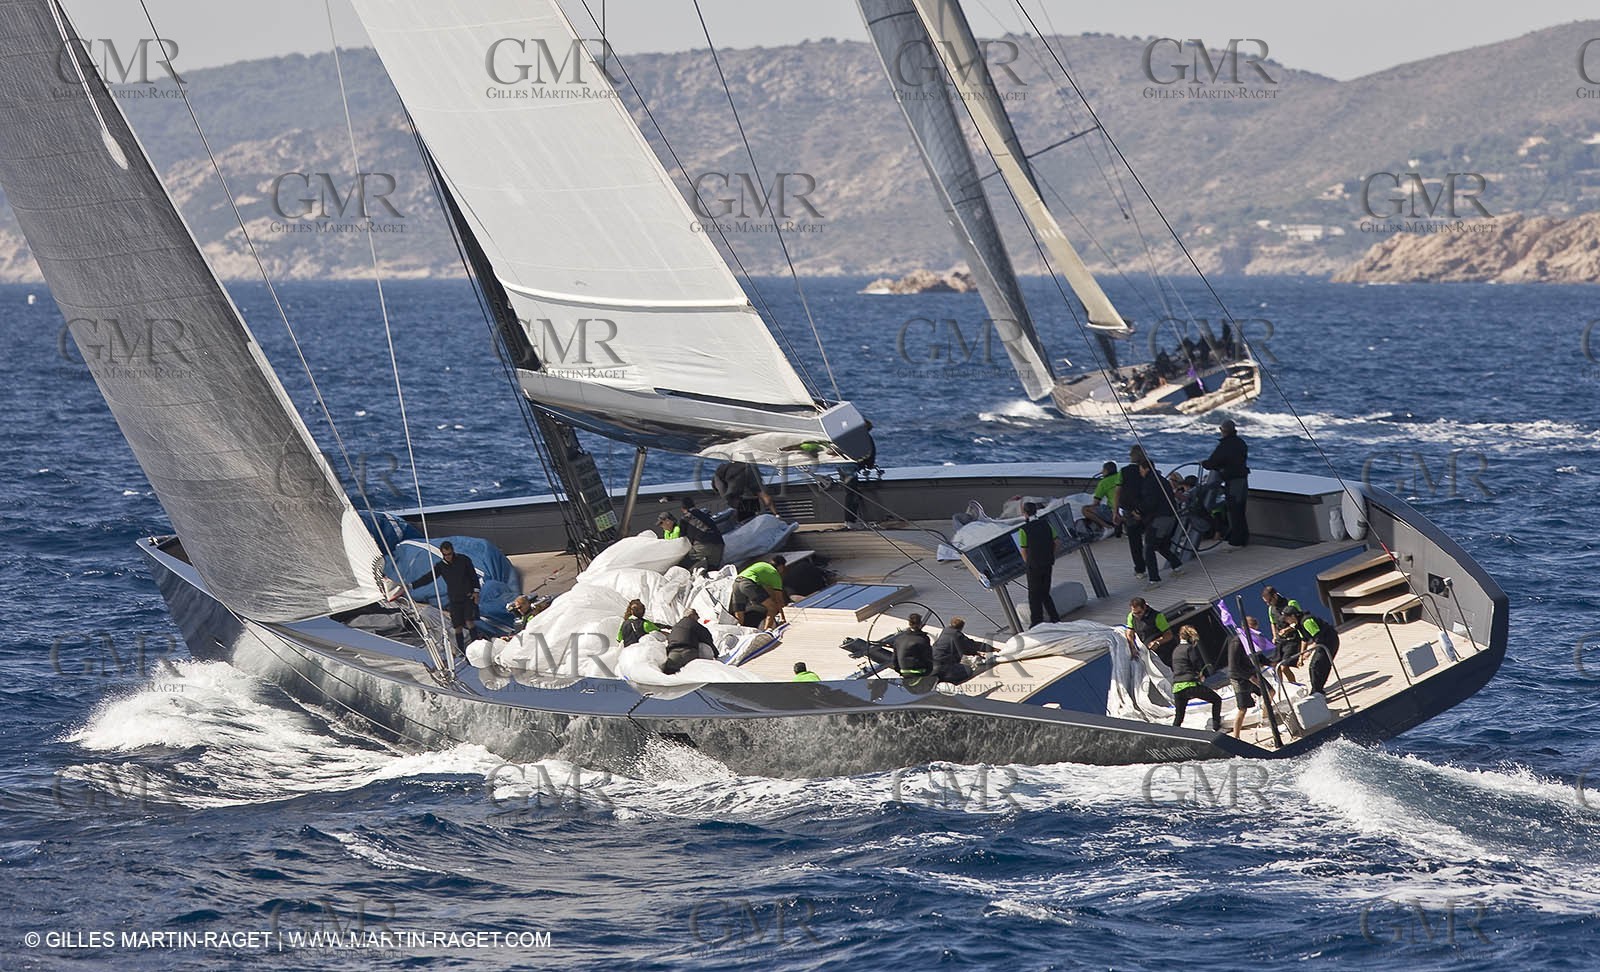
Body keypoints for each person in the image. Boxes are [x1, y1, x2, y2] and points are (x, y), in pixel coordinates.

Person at [409, 540, 479, 658]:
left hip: (467, 597)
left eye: (450, 554)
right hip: (454, 599)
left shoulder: (463, 560)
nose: (448, 557)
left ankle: (477, 647)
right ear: (442, 554)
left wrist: (476, 591)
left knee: (469, 621)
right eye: (446, 555)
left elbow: (473, 576)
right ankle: (462, 652)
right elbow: (428, 577)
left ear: (453, 551)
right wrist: (411, 585)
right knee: (457, 627)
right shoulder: (441, 566)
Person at [1131, 453, 1184, 586]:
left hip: (1160, 519)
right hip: (1170, 517)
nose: (1140, 472)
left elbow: (1150, 502)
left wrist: (1138, 511)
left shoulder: (1150, 483)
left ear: (1146, 468)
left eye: (1141, 469)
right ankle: (1177, 565)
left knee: (1149, 547)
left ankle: (1154, 579)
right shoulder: (1162, 479)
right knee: (1160, 544)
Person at [1201, 419, 1250, 549]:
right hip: (1243, 480)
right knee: (1240, 510)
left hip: (1233, 481)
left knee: (1234, 510)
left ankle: (1236, 541)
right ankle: (1242, 538)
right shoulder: (1241, 443)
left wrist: (1204, 463)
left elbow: (1214, 461)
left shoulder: (1225, 446)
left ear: (1223, 431)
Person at [1226, 617, 1272, 739]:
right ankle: (1236, 736)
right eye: (1253, 629)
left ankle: (1265, 718)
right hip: (1239, 677)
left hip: (1252, 672)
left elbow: (1258, 655)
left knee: (1270, 692)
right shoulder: (1236, 642)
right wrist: (1250, 677)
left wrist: (1270, 663)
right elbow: (1234, 666)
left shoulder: (1251, 640)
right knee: (1243, 708)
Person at [1170, 625, 1222, 731]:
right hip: (1190, 685)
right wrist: (1200, 675)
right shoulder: (1189, 649)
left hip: (1177, 688)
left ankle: (1172, 736)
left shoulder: (1175, 650)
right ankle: (1216, 726)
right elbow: (1196, 663)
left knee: (1179, 717)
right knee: (1216, 700)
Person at [1017, 502, 1061, 627]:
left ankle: (1036, 621)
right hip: (1048, 562)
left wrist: (1028, 563)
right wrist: (1051, 554)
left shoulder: (1023, 529)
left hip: (1034, 565)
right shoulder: (1046, 524)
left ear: (1024, 513)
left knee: (1034, 595)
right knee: (1045, 592)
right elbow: (1057, 541)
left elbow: (1024, 549)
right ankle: (1054, 617)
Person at [1285, 606, 1341, 697]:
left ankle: (1317, 691)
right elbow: (1304, 639)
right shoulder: (1298, 624)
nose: (1286, 621)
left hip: (1330, 641)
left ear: (1292, 616)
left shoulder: (1307, 621)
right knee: (1315, 666)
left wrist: (1309, 652)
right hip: (1322, 643)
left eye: (1287, 618)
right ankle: (1317, 690)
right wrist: (1301, 656)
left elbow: (1318, 638)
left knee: (1317, 665)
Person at [1113, 446, 1151, 577]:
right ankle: (1154, 565)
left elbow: (1117, 492)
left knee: (1135, 541)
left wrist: (1115, 511)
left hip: (1129, 509)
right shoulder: (1148, 469)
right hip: (1147, 509)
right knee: (1151, 539)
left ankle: (1140, 569)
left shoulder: (1123, 471)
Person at [728, 555, 787, 629]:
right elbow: (779, 600)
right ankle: (767, 630)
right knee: (772, 608)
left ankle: (739, 632)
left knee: (739, 613)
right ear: (781, 566)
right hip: (748, 583)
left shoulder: (761, 564)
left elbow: (767, 591)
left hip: (736, 583)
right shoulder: (775, 574)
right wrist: (783, 617)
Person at [930, 617, 994, 685]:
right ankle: (944, 678)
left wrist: (974, 653)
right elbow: (972, 645)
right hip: (943, 664)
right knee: (968, 671)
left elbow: (963, 648)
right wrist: (991, 648)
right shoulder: (958, 636)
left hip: (932, 661)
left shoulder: (945, 631)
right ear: (961, 627)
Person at [676, 496, 725, 571]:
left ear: (682, 509)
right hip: (719, 544)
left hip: (702, 545)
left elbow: (682, 538)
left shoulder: (686, 518)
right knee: (713, 571)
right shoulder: (705, 515)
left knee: (682, 568)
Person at [662, 610, 716, 675]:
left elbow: (670, 639)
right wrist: (716, 654)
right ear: (691, 615)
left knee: (669, 676)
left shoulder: (675, 627)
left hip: (673, 654)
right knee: (692, 675)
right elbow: (708, 639)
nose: (698, 618)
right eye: (697, 616)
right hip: (689, 653)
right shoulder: (695, 625)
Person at [1125, 596, 1176, 664]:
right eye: (1134, 613)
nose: (1137, 615)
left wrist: (1157, 642)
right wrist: (1132, 646)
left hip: (1163, 650)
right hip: (1145, 650)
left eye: (1139, 612)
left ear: (1145, 607)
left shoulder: (1157, 616)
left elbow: (1169, 635)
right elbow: (1129, 632)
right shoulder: (1131, 616)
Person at [1083, 461, 1120, 536]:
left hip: (1114, 512)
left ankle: (1108, 527)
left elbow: (1096, 503)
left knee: (1085, 509)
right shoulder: (1121, 477)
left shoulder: (1103, 482)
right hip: (1127, 510)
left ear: (1106, 471)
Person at [891, 613, 934, 677]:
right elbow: (928, 658)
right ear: (920, 624)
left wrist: (900, 671)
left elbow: (894, 661)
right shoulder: (923, 639)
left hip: (904, 673)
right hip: (919, 673)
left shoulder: (899, 639)